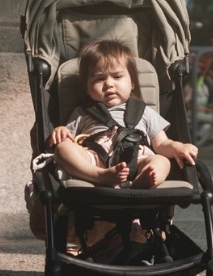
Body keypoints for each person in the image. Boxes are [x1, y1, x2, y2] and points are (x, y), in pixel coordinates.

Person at [49, 39, 198, 189]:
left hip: (137, 158)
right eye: (99, 78)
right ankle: (100, 176)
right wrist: (61, 131)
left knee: (162, 161)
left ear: (132, 83)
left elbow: (161, 144)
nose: (109, 84)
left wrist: (177, 146)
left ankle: (146, 179)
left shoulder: (144, 111)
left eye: (117, 77)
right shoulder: (82, 112)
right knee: (63, 148)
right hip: (95, 160)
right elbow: (70, 139)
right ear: (87, 88)